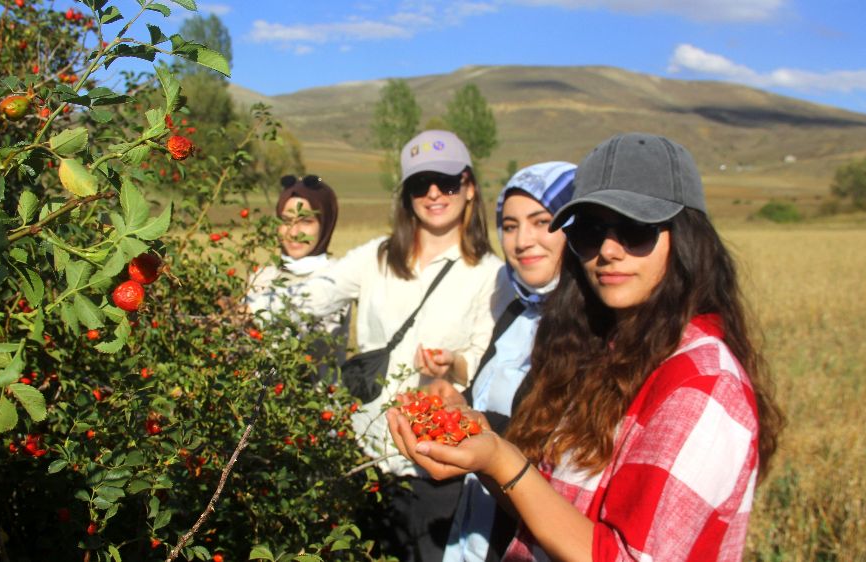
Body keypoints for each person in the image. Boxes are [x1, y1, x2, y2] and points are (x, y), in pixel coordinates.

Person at [388, 132, 784, 561]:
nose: (608, 251)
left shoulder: (700, 383)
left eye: (636, 229)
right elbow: (549, 516)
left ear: (686, 237)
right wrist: (479, 443)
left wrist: (500, 459)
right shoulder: (601, 350)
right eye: (590, 232)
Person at [268, 130, 504, 561]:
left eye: (447, 182)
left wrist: (453, 363)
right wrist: (257, 299)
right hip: (363, 455)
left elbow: (487, 363)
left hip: (435, 469)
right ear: (407, 195)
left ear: (469, 187)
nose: (434, 193)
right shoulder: (375, 258)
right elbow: (314, 297)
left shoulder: (491, 274)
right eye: (420, 184)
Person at [439, 161, 578, 562]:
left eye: (543, 222)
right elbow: (497, 401)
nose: (522, 241)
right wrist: (456, 402)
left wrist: (478, 426)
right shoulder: (518, 314)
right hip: (477, 523)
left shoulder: (591, 333)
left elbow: (555, 455)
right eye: (511, 226)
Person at [246, 174, 348, 375]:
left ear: (326, 223)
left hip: (317, 402)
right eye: (286, 221)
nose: (293, 232)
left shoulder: (339, 275)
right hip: (259, 402)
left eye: (306, 221)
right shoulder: (261, 277)